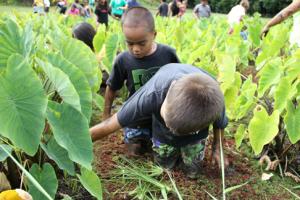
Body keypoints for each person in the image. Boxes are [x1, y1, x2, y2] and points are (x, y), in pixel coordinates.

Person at [90, 63, 229, 178]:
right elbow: (110, 125)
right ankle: (167, 159)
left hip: (194, 139)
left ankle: (190, 157)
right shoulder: (153, 93)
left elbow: (220, 124)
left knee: (193, 170)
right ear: (168, 93)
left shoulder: (215, 101)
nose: (171, 127)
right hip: (162, 135)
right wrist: (72, 145)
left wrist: (217, 148)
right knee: (164, 167)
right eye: (167, 119)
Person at [103, 7, 180, 156]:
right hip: (135, 116)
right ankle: (137, 141)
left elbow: (179, 80)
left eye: (141, 43)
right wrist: (106, 115)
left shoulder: (167, 54)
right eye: (130, 44)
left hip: (162, 116)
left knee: (161, 153)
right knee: (135, 152)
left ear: (154, 35)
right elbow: (112, 87)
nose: (136, 49)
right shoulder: (123, 60)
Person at [72, 22, 109, 93]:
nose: (75, 43)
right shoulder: (80, 53)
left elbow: (107, 76)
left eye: (77, 40)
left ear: (85, 38)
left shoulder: (102, 51)